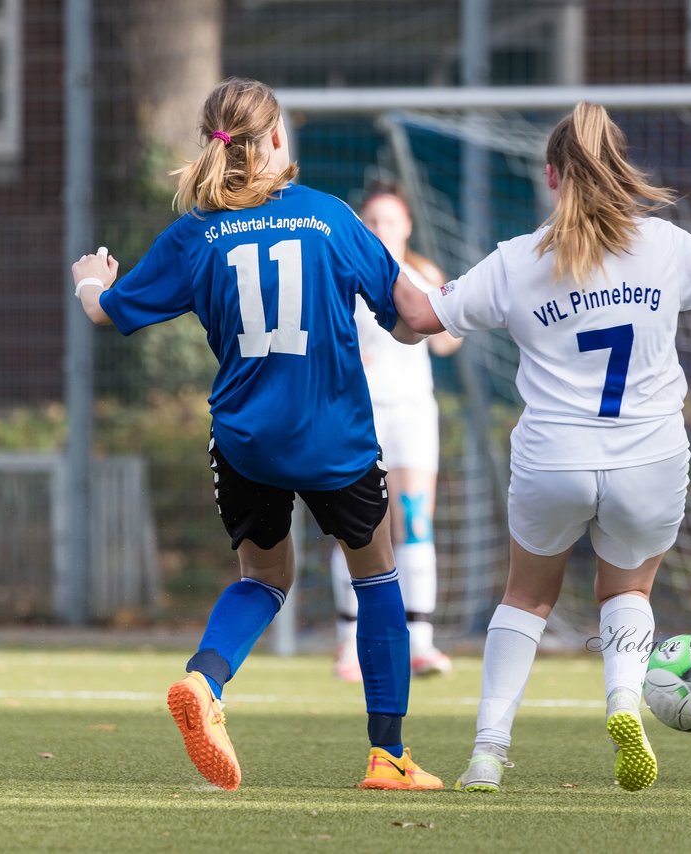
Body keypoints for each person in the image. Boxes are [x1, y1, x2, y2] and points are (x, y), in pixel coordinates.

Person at [390, 102, 691, 793]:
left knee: (525, 599)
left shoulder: (516, 261)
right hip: (649, 458)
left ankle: (487, 754)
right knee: (626, 588)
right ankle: (625, 703)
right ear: (619, 173)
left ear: (550, 177)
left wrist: (365, 257)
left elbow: (419, 317)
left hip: (553, 460)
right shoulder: (667, 246)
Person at [72, 77, 443, 792]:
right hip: (334, 437)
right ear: (277, 138)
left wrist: (91, 280)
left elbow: (108, 312)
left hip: (247, 440)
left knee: (265, 578)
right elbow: (412, 320)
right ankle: (388, 757)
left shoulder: (195, 233)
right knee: (377, 576)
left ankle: (206, 682)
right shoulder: (330, 218)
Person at [329, 182, 462, 682]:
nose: (383, 229)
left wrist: (453, 310)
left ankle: (420, 642)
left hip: (411, 414)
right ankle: (350, 645)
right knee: (357, 525)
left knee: (415, 519)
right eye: (374, 221)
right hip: (360, 414)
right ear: (364, 227)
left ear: (407, 226)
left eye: (391, 221)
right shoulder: (348, 272)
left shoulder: (423, 274)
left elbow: (448, 342)